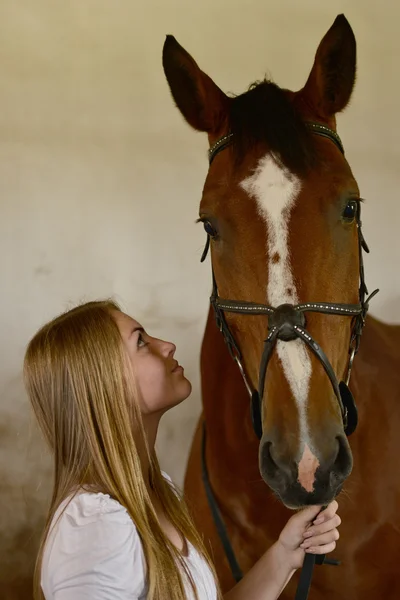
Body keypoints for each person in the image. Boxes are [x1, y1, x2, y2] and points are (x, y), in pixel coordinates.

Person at [24, 299, 342, 600]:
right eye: (140, 342)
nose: (167, 345)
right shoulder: (93, 527)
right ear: (101, 382)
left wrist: (285, 554)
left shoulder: (159, 492)